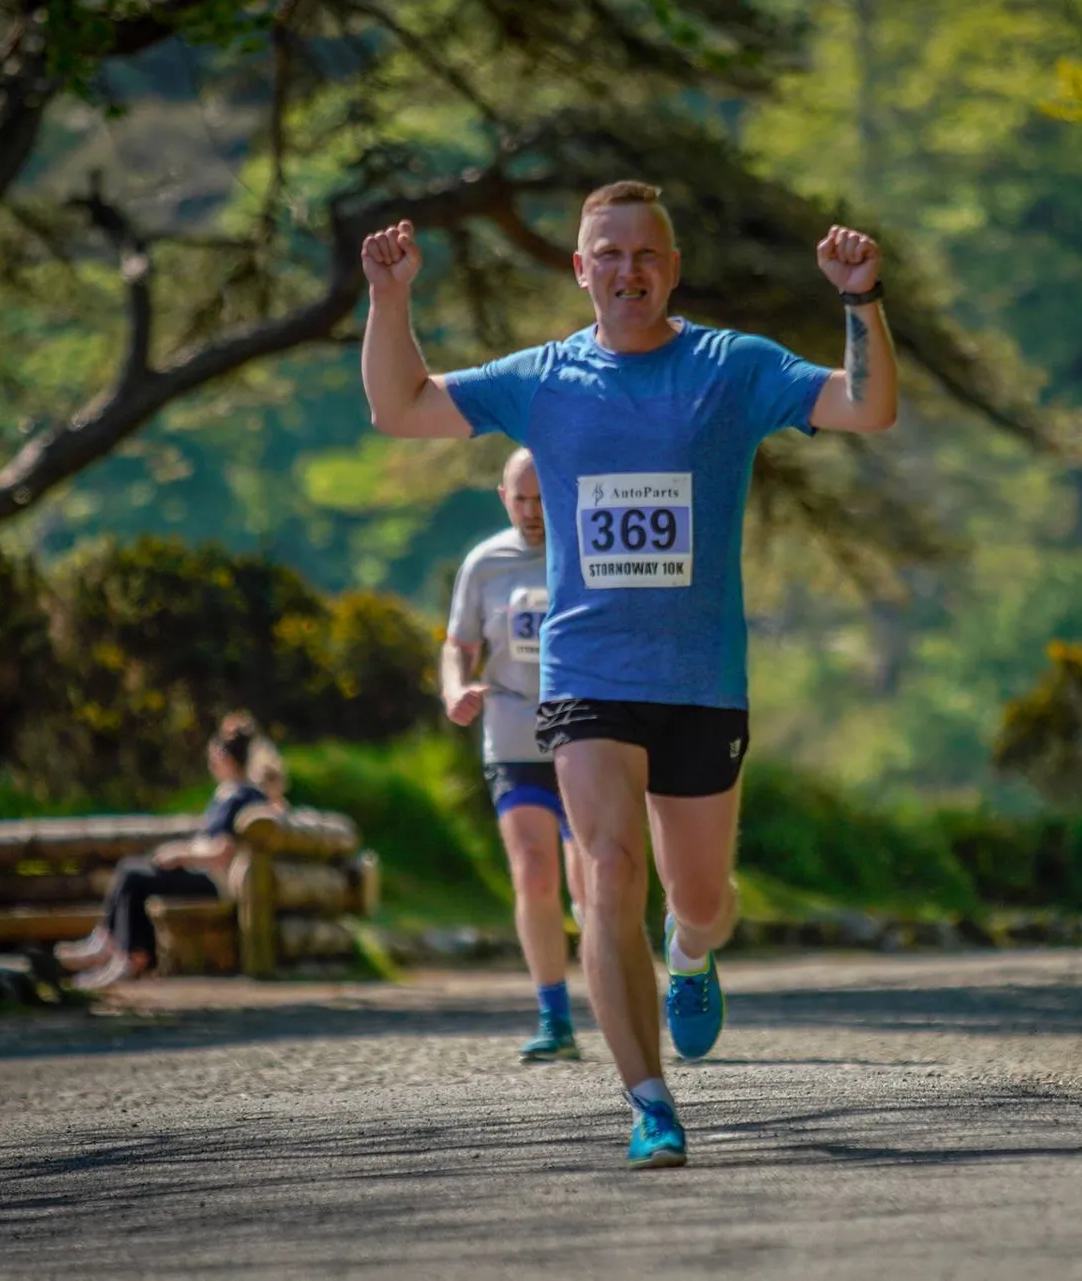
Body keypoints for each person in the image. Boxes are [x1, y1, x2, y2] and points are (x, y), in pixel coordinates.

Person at [359, 181, 897, 1168]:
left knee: (701, 899)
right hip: (586, 672)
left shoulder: (732, 367)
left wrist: (859, 300)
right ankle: (648, 1100)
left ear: (673, 268)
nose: (627, 270)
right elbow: (401, 407)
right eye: (607, 253)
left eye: (646, 254)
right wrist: (389, 301)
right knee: (608, 870)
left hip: (699, 680)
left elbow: (867, 405)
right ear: (580, 269)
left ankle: (691, 953)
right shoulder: (544, 377)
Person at [444, 447, 590, 1063]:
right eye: (520, 500)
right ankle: (554, 1017)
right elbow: (458, 645)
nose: (532, 512)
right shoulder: (485, 563)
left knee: (591, 881)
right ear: (503, 498)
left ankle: (622, 996)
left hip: (587, 733)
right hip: (512, 734)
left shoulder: (589, 552)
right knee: (533, 872)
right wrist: (455, 689)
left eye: (541, 499)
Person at [56, 714, 270, 989]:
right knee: (131, 868)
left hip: (213, 880)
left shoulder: (242, 796)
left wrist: (182, 856)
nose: (211, 764)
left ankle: (128, 956)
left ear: (225, 758)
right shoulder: (227, 793)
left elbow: (222, 851)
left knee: (135, 876)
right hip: (202, 871)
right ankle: (111, 944)